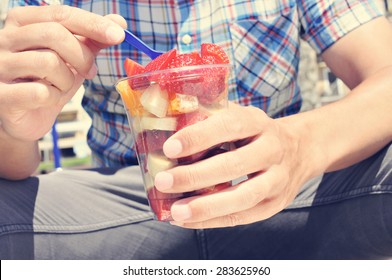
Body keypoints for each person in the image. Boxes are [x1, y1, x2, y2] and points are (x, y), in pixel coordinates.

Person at [0, 0, 391, 260]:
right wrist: (12, 126)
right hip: (126, 206)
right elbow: (14, 167)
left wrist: (300, 145)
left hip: (282, 187)